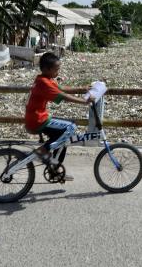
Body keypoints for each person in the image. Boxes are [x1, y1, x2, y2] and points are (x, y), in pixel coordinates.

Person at [24, 52, 93, 181]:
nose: (58, 72)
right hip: (38, 120)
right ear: (47, 69)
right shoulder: (44, 83)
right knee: (71, 127)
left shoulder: (43, 79)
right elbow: (63, 96)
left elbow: (61, 89)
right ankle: (43, 151)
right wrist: (84, 102)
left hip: (36, 118)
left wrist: (82, 89)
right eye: (56, 69)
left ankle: (55, 170)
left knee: (63, 140)